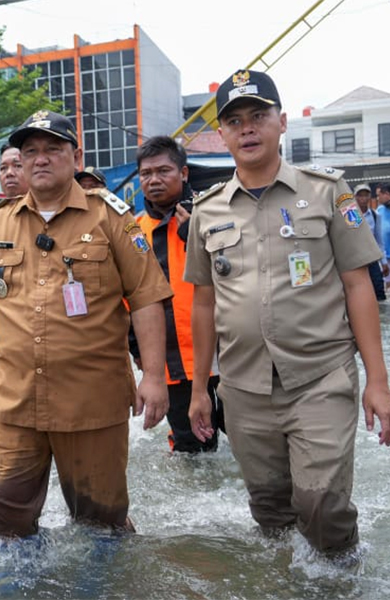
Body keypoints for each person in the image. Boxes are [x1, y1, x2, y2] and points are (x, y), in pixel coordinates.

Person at [184, 69, 390, 559]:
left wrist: (378, 382)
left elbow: (357, 285)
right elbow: (204, 300)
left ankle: (341, 579)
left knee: (321, 502)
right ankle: (287, 582)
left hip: (320, 377)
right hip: (242, 387)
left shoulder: (327, 192)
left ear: (282, 123)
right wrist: (201, 387)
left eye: (258, 116)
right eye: (234, 121)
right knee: (270, 509)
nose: (248, 128)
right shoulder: (207, 209)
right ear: (222, 135)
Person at [0, 110, 173, 538]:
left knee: (99, 521)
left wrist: (155, 377)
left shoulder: (112, 218)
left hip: (91, 401)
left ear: (76, 156)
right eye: (29, 151)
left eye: (53, 148)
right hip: (11, 399)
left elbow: (147, 297)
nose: (40, 159)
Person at [132, 135, 224, 452]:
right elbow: (126, 301)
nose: (154, 180)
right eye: (146, 174)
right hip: (171, 364)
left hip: (227, 354)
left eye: (163, 171)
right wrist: (140, 357)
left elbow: (243, 275)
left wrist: (196, 238)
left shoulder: (213, 216)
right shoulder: (133, 232)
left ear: (183, 173)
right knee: (192, 453)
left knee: (251, 444)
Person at [0, 143, 31, 368]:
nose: (9, 173)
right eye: (3, 168)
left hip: (41, 340)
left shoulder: (52, 214)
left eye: (17, 166)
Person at [353, 184, 387, 301]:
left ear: (370, 197)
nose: (363, 198)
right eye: (360, 195)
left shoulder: (375, 215)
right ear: (354, 197)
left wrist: (384, 261)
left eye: (365, 195)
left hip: (371, 257)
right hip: (354, 259)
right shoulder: (350, 215)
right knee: (356, 290)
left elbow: (379, 240)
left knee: (379, 289)